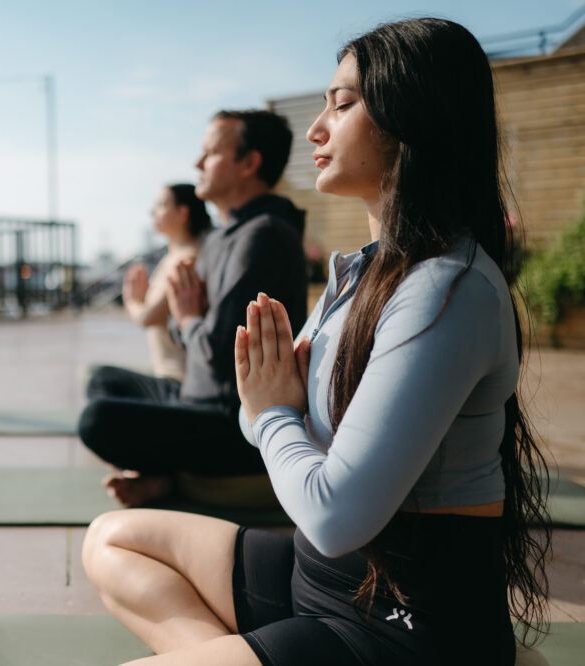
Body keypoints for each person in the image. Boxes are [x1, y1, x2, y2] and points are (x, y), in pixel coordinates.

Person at [81, 18, 550, 666]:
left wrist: (277, 411)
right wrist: (270, 409)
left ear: (411, 116)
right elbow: (254, 420)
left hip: (399, 631)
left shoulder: (449, 290)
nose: (316, 129)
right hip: (320, 582)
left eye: (344, 104)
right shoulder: (359, 275)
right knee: (110, 539)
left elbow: (332, 514)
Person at [79, 109, 307, 507]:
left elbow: (217, 353)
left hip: (231, 422)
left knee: (97, 419)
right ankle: (164, 476)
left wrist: (188, 318)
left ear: (249, 163)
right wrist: (187, 320)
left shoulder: (264, 236)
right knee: (103, 379)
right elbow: (182, 330)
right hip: (191, 397)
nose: (197, 163)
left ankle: (170, 480)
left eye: (211, 153)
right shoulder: (221, 237)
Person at [122, 184, 211, 382]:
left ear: (182, 213)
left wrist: (132, 301)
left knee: (100, 379)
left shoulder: (186, 260)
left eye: (162, 205)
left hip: (177, 378)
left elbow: (148, 317)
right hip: (166, 373)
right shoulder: (172, 257)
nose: (153, 212)